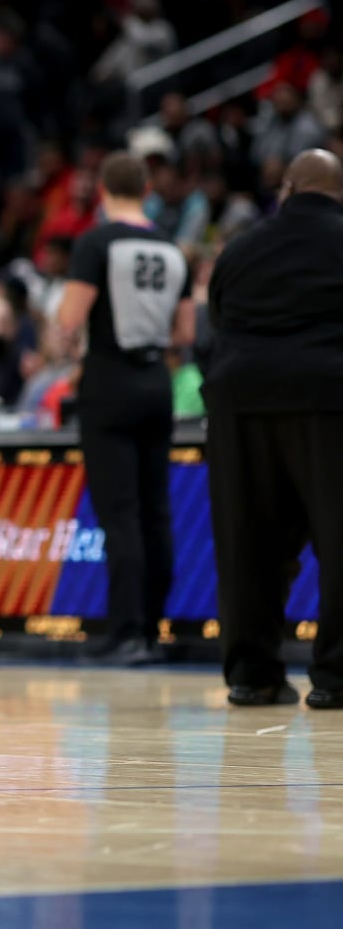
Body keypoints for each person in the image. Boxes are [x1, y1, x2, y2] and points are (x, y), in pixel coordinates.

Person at [203, 148, 343, 710]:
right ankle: (335, 678)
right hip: (330, 401)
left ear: (287, 189)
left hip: (241, 405)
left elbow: (216, 316)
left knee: (247, 543)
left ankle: (252, 675)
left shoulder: (240, 249)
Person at [55, 153, 193, 665]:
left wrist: (65, 342)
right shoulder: (171, 247)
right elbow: (185, 334)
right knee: (156, 508)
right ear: (148, 188)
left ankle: (125, 632)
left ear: (105, 192)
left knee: (120, 513)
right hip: (157, 380)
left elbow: (70, 317)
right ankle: (154, 628)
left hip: (109, 378)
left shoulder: (97, 241)